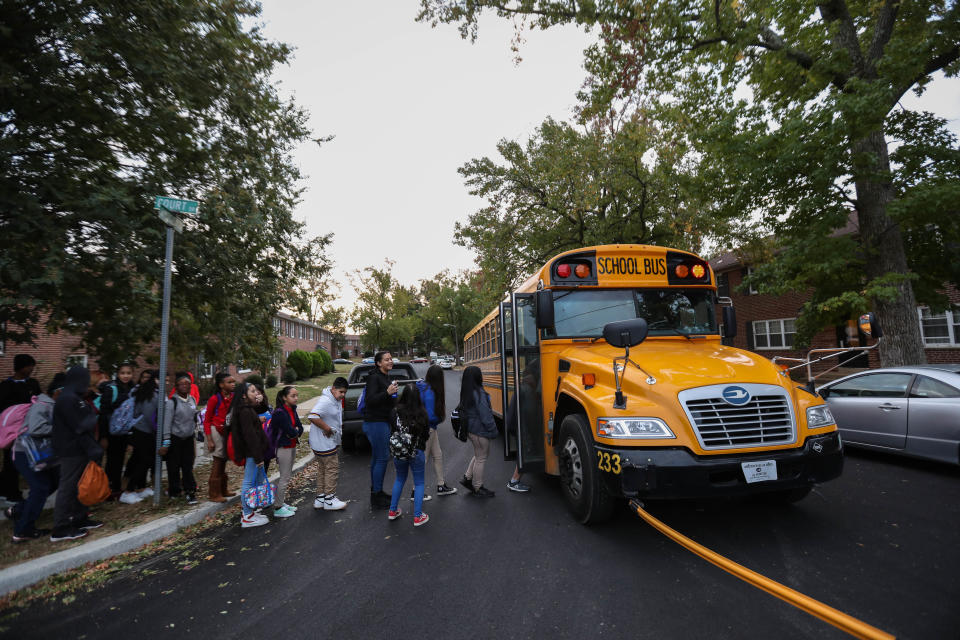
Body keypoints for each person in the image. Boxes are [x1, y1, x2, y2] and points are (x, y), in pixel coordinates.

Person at [8, 373, 65, 542]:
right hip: (25, 453)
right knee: (40, 487)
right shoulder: (43, 405)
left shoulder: (51, 405)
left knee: (53, 482)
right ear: (59, 392)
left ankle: (18, 511)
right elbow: (36, 429)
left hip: (38, 453)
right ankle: (22, 530)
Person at [50, 366, 103, 541]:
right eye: (84, 380)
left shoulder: (76, 397)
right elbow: (81, 425)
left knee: (80, 485)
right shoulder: (67, 399)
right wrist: (91, 417)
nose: (87, 384)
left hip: (80, 450)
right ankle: (61, 527)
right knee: (68, 487)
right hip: (70, 450)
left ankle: (80, 519)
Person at [0, 354, 42, 505]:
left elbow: (39, 401)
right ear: (20, 367)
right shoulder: (6, 386)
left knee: (24, 459)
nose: (31, 369)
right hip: (12, 430)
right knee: (11, 460)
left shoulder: (33, 383)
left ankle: (6, 489)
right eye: (29, 365)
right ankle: (11, 493)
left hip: (29, 427)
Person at [387, 385, 430, 526]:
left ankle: (392, 511)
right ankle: (417, 516)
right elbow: (425, 434)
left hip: (399, 452)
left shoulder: (394, 412)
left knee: (399, 479)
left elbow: (392, 429)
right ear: (418, 397)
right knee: (419, 483)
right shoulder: (422, 413)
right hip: (416, 451)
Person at [228, 381, 270, 528]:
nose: (256, 393)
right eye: (252, 391)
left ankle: (251, 511)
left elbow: (263, 408)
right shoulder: (244, 411)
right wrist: (258, 456)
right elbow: (249, 436)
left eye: (256, 391)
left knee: (257, 480)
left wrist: (261, 401)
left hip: (256, 451)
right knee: (248, 482)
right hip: (252, 452)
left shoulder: (247, 408)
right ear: (244, 395)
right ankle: (246, 515)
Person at [361, 351, 399, 509]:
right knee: (382, 458)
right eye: (386, 359)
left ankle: (377, 492)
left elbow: (387, 402)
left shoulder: (385, 377)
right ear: (378, 363)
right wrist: (387, 393)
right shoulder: (374, 378)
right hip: (375, 422)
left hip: (382, 421)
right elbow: (370, 401)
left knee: (378, 458)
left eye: (391, 359)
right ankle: (376, 496)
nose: (390, 361)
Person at [307, 377, 348, 511]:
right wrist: (327, 428)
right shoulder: (326, 401)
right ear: (333, 389)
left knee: (323, 470)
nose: (343, 395)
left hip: (321, 443)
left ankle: (320, 498)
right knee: (332, 470)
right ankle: (330, 500)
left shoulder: (333, 399)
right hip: (324, 443)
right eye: (341, 392)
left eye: (345, 393)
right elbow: (312, 416)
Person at [416, 365, 456, 499]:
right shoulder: (431, 393)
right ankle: (415, 491)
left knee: (438, 455)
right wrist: (438, 420)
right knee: (424, 459)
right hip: (429, 427)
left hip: (426, 427)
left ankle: (441, 485)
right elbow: (431, 415)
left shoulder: (423, 387)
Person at [459, 366, 498, 498]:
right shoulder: (479, 394)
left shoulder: (467, 392)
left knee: (478, 455)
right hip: (480, 430)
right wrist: (493, 430)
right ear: (477, 377)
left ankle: (467, 478)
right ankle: (478, 486)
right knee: (481, 457)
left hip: (471, 429)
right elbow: (486, 416)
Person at [98, 363, 135, 498]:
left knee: (120, 460)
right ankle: (108, 489)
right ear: (118, 374)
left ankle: (117, 488)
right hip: (111, 432)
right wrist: (103, 436)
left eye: (128, 373)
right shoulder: (111, 389)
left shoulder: (133, 389)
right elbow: (103, 413)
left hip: (125, 432)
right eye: (122, 373)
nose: (125, 376)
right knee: (112, 461)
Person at [161, 374, 199, 504]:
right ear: (176, 387)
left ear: (190, 386)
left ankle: (190, 492)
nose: (184, 386)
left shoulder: (192, 400)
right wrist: (166, 442)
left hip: (188, 438)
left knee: (187, 466)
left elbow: (194, 417)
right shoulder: (172, 403)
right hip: (175, 439)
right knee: (173, 467)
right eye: (181, 384)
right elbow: (167, 423)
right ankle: (175, 490)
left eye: (186, 384)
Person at [122, 370, 159, 503]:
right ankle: (128, 491)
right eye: (162, 380)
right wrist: (157, 431)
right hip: (144, 432)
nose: (164, 383)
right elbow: (149, 416)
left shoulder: (149, 392)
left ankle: (140, 488)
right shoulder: (152, 395)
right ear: (155, 380)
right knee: (144, 461)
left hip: (142, 431)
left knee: (141, 460)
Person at [270, 385, 302, 518]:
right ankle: (278, 508)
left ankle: (281, 502)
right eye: (292, 396)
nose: (296, 398)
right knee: (284, 476)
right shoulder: (280, 412)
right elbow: (290, 430)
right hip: (283, 447)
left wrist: (295, 432)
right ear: (284, 397)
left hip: (292, 445)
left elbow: (299, 428)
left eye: (296, 395)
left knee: (287, 475)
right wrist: (294, 432)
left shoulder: (292, 409)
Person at [203, 372, 236, 503]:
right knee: (217, 462)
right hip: (215, 431)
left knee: (223, 461)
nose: (233, 384)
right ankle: (213, 493)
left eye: (234, 382)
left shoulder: (233, 397)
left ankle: (223, 489)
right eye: (230, 382)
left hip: (226, 431)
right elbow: (206, 421)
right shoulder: (214, 399)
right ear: (221, 385)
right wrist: (209, 440)